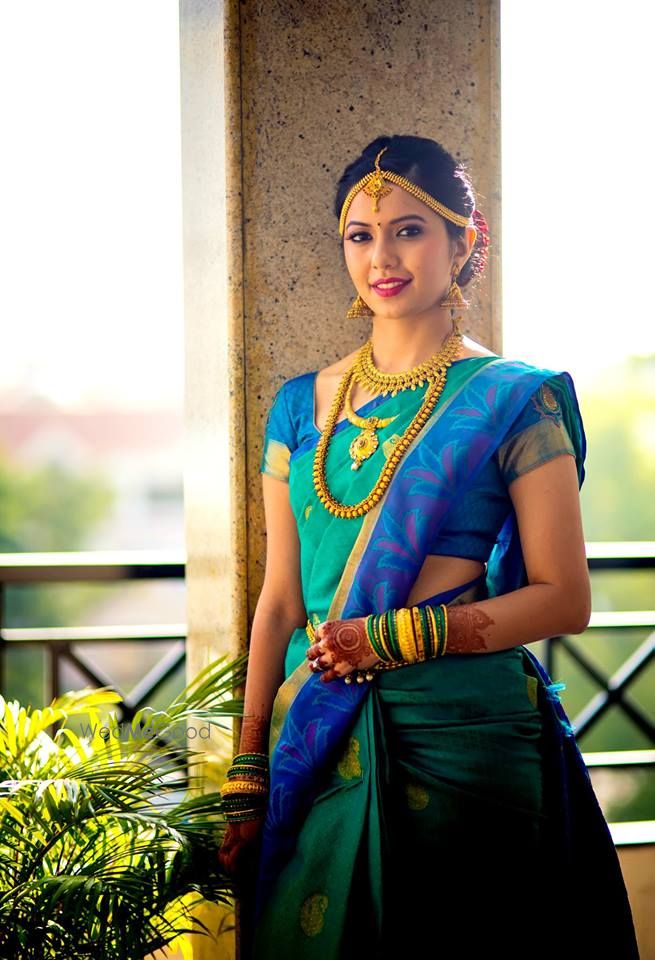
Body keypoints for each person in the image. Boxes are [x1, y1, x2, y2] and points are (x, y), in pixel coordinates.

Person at [218, 134, 639, 959]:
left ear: (464, 240)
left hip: (462, 739)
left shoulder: (515, 399)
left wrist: (388, 637)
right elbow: (277, 601)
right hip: (323, 733)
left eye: (410, 230)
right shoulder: (299, 408)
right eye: (360, 234)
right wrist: (247, 766)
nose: (383, 256)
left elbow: (565, 596)